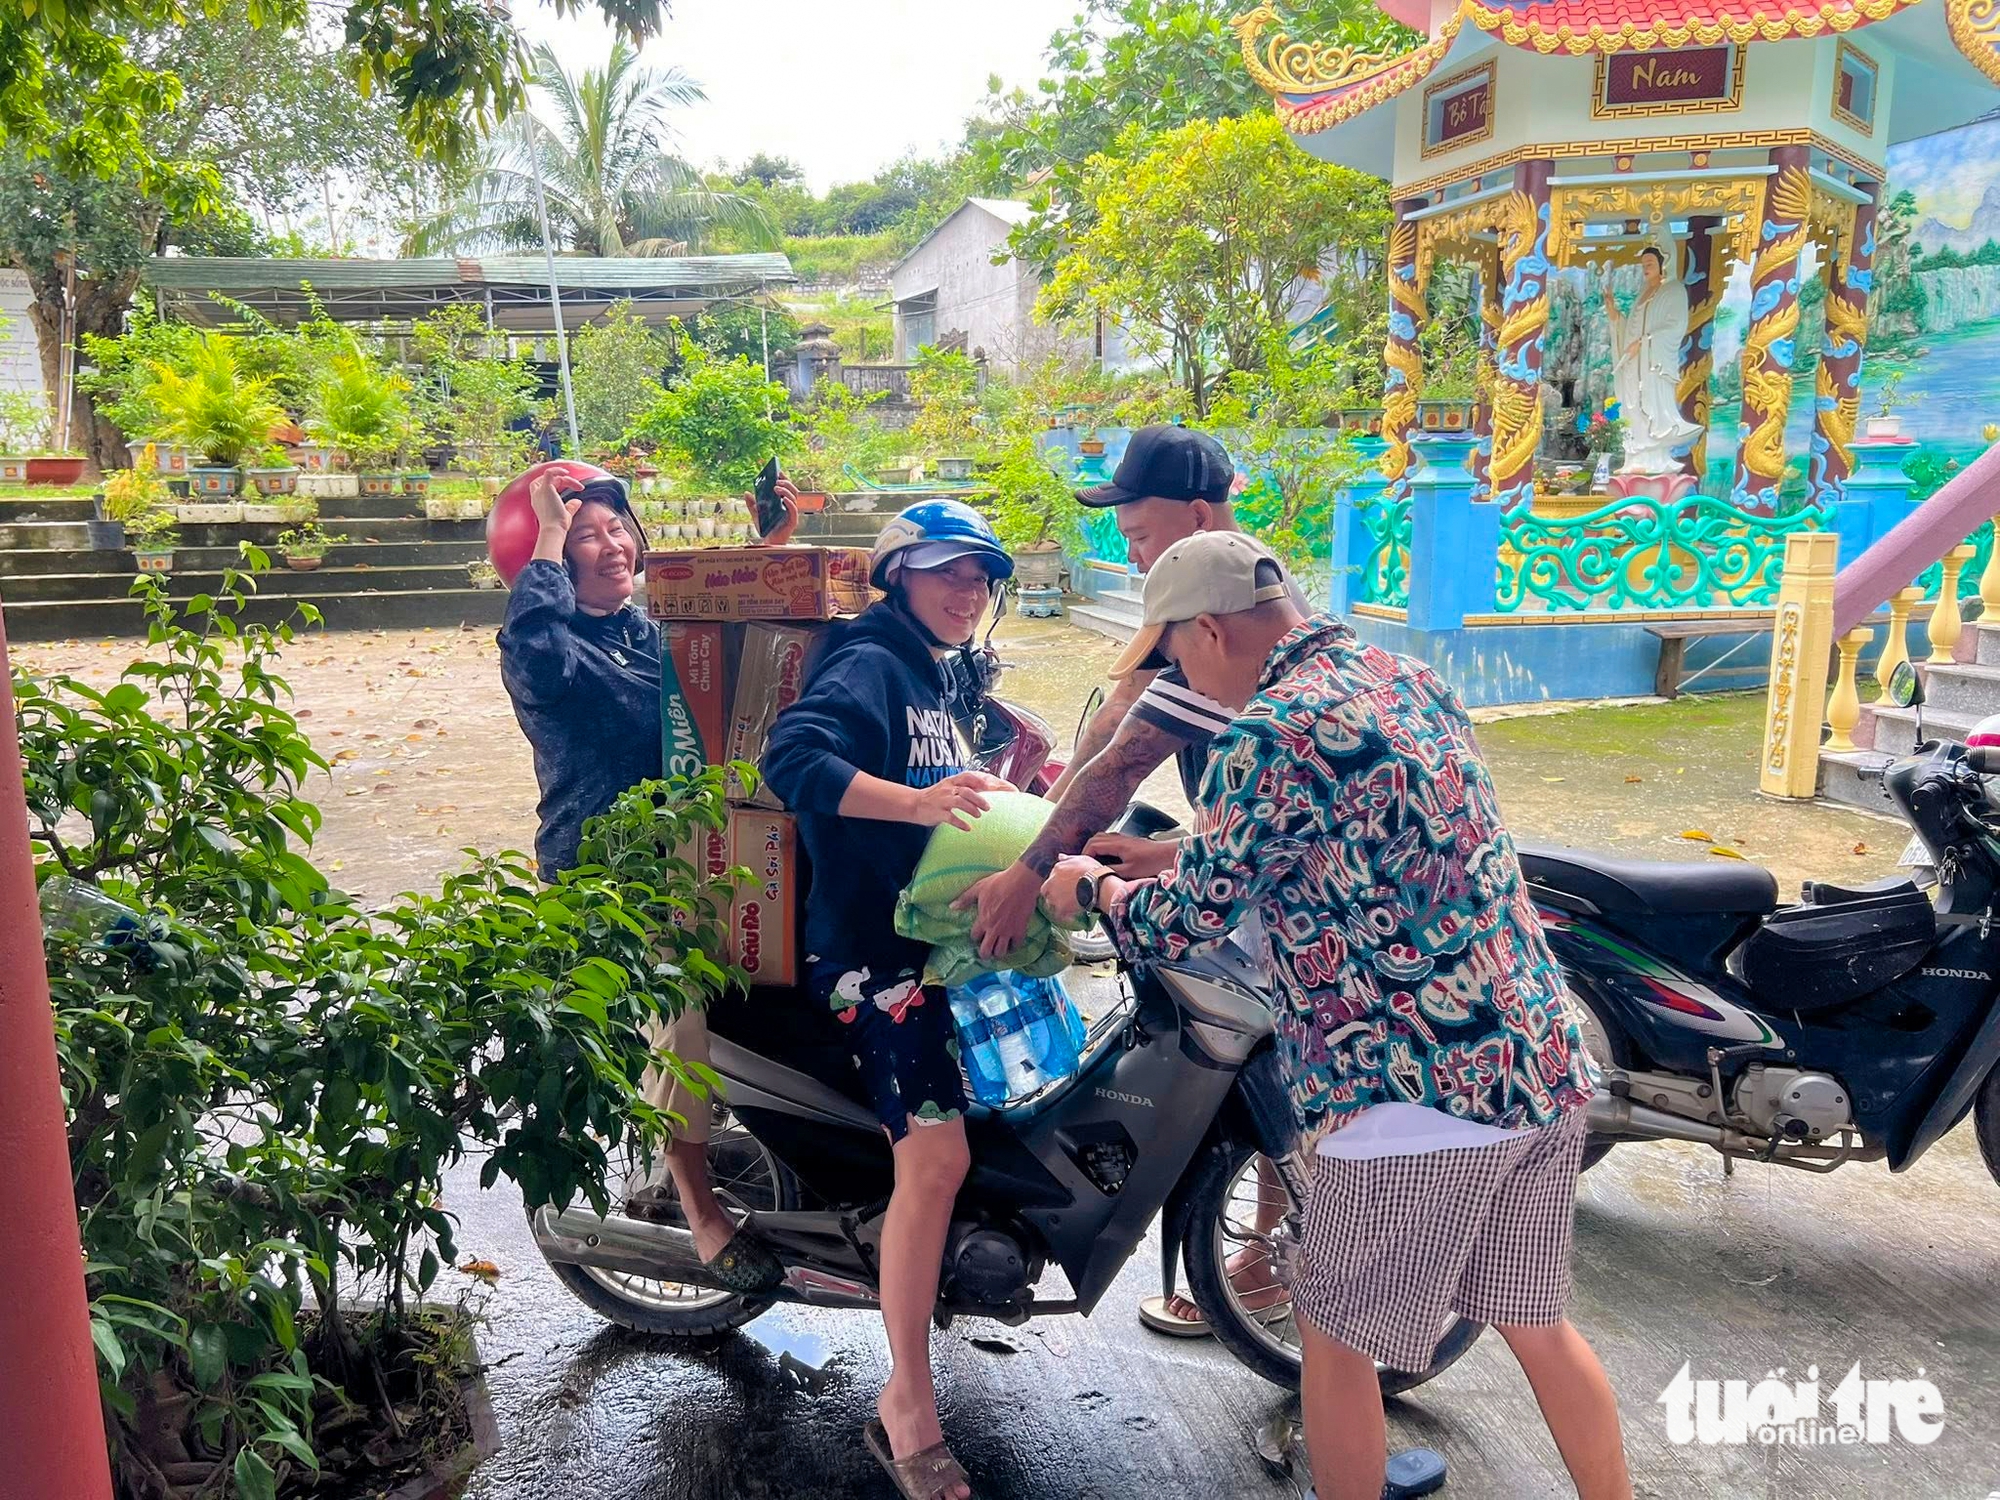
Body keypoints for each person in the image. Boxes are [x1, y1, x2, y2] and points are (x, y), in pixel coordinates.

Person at [1043, 532, 1627, 1500]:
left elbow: (1183, 924)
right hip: (1535, 1064)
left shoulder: (1263, 733)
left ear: (1211, 630)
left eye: (1176, 656)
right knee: (1537, 1324)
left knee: (1335, 1341)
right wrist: (1172, 852)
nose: (1182, 681)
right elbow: (1356, 825)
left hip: (1411, 1094)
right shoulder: (1402, 677)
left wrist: (1089, 892)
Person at [955, 424, 1293, 1336]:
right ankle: (1263, 1261)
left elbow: (1119, 759)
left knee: (1258, 1069)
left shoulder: (1211, 612)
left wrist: (1035, 868)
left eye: (1139, 534)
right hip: (1240, 856)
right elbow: (1110, 734)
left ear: (1191, 517)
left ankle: (1266, 1267)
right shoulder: (1247, 587)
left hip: (1280, 901)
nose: (1132, 551)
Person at [760, 499, 1017, 1500]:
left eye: (981, 576)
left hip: (929, 936)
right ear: (897, 575)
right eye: (948, 572)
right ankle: (903, 1398)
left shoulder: (938, 668)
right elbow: (793, 761)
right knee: (937, 1157)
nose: (968, 592)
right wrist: (912, 802)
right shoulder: (869, 660)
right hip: (871, 956)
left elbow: (942, 770)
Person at [497, 468, 782, 1294]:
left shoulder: (641, 630)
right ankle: (700, 1212)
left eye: (618, 527)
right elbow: (537, 654)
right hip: (607, 875)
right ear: (545, 557)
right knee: (678, 1012)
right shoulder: (547, 655)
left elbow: (736, 652)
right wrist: (547, 538)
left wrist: (773, 552)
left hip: (691, 855)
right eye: (587, 535)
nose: (613, 544)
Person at [1601, 245, 1702, 473]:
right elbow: (1631, 332)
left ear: (1662, 264)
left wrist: (1646, 342)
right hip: (1635, 362)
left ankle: (1654, 459)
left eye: (1650, 264)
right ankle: (1635, 456)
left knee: (1650, 405)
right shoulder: (1642, 294)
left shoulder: (1673, 290)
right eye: (1643, 264)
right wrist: (1615, 315)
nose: (1646, 268)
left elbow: (1675, 325)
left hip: (1653, 363)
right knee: (1631, 402)